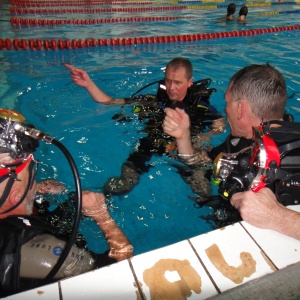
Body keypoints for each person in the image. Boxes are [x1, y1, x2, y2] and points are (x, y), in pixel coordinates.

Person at [0, 110, 133, 297]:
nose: (34, 180)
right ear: (14, 197)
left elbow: (11, 193)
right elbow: (125, 273)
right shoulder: (38, 254)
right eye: (33, 172)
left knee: (74, 202)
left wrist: (34, 188)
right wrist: (103, 217)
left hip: (25, 217)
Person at [162, 63, 300, 240]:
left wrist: (277, 217)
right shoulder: (240, 141)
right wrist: (183, 137)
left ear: (241, 109)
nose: (225, 109)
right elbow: (202, 165)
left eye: (227, 102)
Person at [65, 58, 224, 197]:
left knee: (202, 190)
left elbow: (219, 126)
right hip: (152, 142)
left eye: (178, 82)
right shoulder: (153, 100)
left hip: (182, 149)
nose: (171, 87)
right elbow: (110, 102)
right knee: (123, 183)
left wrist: (204, 136)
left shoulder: (202, 108)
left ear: (190, 82)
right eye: (168, 80)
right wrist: (88, 84)